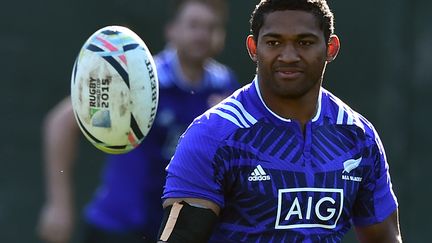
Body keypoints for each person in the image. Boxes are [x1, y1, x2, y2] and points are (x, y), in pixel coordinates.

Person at [157, 0, 402, 242]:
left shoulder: (358, 136)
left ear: (331, 48)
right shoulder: (212, 136)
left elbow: (384, 238)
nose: (288, 56)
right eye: (274, 42)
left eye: (304, 43)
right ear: (253, 48)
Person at [36, 0, 238, 242]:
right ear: (171, 30)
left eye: (210, 27)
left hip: (174, 229)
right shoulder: (138, 77)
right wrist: (59, 205)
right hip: (118, 227)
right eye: (194, 25)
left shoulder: (224, 87)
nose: (202, 35)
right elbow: (60, 122)